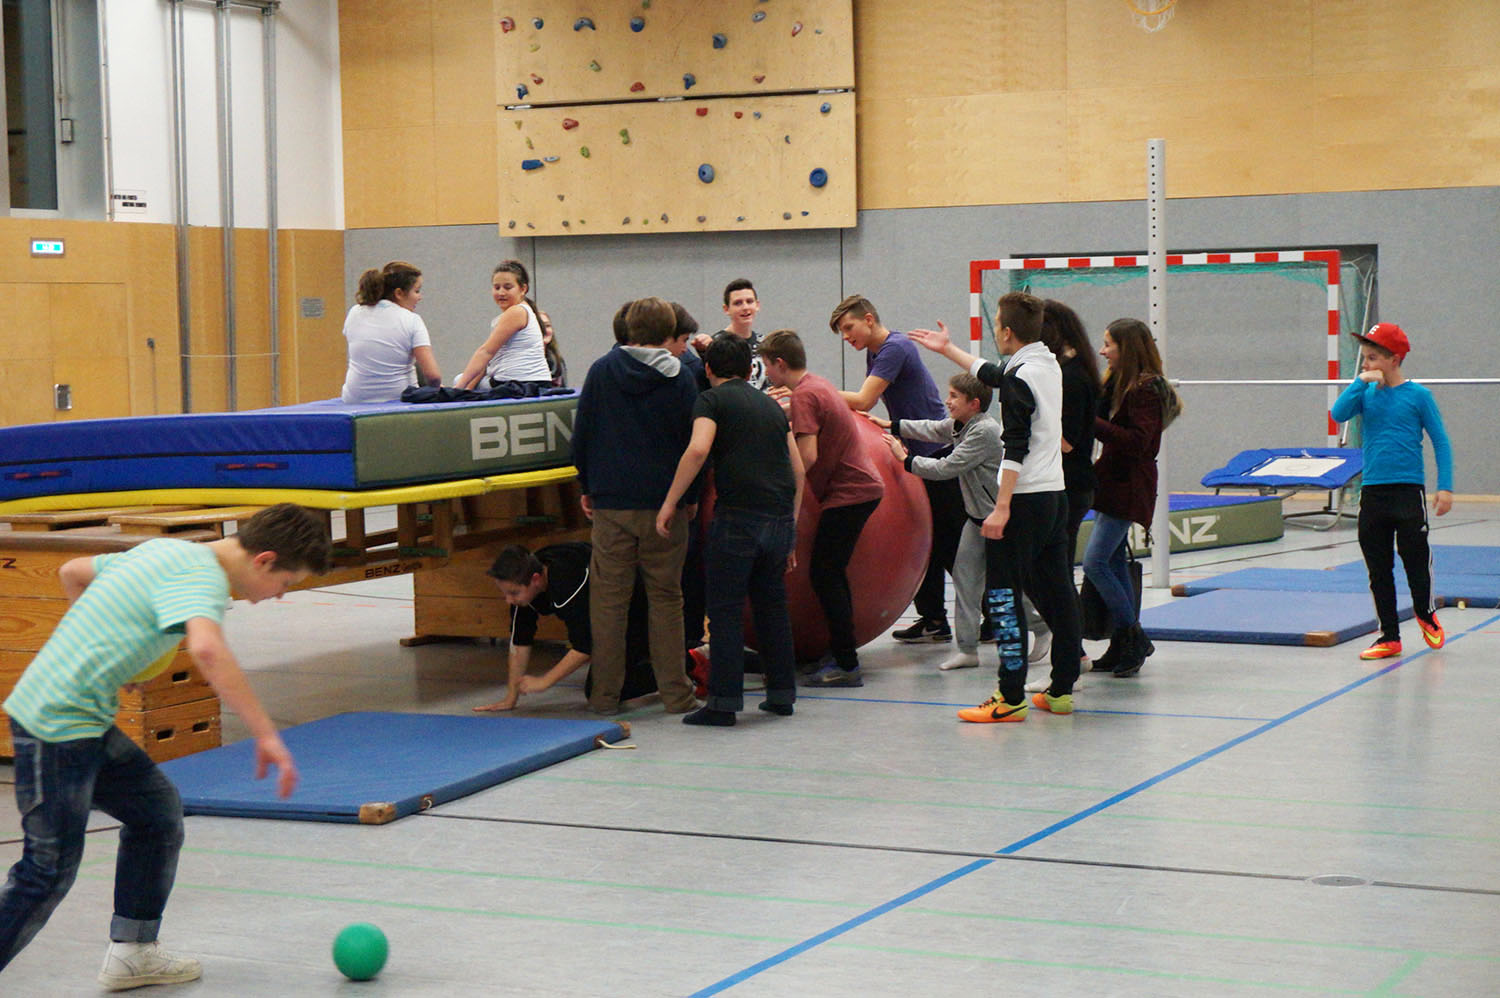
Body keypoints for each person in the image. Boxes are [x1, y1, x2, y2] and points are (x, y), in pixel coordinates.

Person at [0, 504, 331, 986]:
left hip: (84, 721)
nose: (278, 596)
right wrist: (266, 734)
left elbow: (72, 572)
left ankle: (132, 952)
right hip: (56, 726)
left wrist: (106, 653)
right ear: (264, 560)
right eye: (285, 584)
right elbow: (208, 649)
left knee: (156, 814)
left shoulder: (167, 552)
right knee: (46, 871)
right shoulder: (203, 578)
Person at [908, 294, 1083, 722]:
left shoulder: (1021, 377)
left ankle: (1010, 696)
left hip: (1023, 501)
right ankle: (1061, 689)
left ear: (1005, 330)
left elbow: (1015, 446)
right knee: (1060, 594)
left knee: (1002, 596)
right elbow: (992, 372)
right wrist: (947, 349)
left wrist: (1001, 507)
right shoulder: (1045, 363)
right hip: (1054, 497)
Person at [656, 335, 805, 727]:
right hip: (778, 518)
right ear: (749, 368)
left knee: (724, 610)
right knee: (772, 608)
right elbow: (798, 469)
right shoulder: (771, 406)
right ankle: (782, 694)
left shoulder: (710, 400)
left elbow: (698, 449)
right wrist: (790, 527)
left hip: (739, 517)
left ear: (708, 369)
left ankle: (723, 704)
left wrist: (670, 501)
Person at [571, 297, 701, 715]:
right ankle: (676, 695)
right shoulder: (681, 377)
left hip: (612, 504)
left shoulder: (602, 371)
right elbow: (693, 444)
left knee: (609, 603)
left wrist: (587, 486)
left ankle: (604, 697)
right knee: (666, 599)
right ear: (667, 332)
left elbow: (583, 434)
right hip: (665, 506)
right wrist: (690, 498)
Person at [830, 295, 962, 646]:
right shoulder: (876, 352)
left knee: (952, 543)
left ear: (868, 319)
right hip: (917, 454)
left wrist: (811, 388)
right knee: (927, 542)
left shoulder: (894, 348)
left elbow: (864, 399)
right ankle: (934, 619)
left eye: (849, 328)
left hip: (938, 454)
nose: (847, 337)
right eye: (842, 332)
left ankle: (992, 617)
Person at [758, 329, 885, 687]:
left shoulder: (805, 395)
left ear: (780, 364)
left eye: (767, 366)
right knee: (830, 573)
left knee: (826, 574)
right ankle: (841, 654)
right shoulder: (816, 385)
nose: (766, 373)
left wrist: (780, 485)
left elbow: (807, 457)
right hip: (859, 489)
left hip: (851, 493)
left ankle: (846, 663)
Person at [1330, 322, 1453, 660]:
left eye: (1372, 358)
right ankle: (1389, 635)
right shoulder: (1365, 394)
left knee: (1415, 558)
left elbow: (1441, 441)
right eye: (1364, 358)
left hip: (1407, 491)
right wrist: (1360, 382)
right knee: (1378, 567)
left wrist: (1445, 487)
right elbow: (1338, 414)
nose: (1366, 364)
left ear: (1394, 360)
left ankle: (1425, 613)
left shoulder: (1418, 396)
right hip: (1373, 492)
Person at [877, 372, 1002, 673]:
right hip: (976, 521)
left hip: (999, 522)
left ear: (974, 404)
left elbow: (947, 467)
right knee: (965, 582)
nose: (947, 401)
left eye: (954, 396)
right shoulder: (961, 425)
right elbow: (932, 428)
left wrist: (905, 459)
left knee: (1016, 592)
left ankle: (1043, 631)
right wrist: (892, 425)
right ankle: (968, 650)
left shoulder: (984, 432)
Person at [473, 543, 684, 712]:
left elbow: (585, 645)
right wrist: (511, 697)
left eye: (513, 593)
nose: (508, 600)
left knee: (602, 693)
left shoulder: (568, 583)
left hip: (636, 609)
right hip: (605, 614)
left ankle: (685, 664)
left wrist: (545, 681)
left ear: (536, 580)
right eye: (505, 594)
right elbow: (520, 641)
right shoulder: (526, 577)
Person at [1022, 299, 1102, 689]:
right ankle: (1073, 655)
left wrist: (1029, 437)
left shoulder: (1071, 376)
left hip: (1068, 485)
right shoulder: (1068, 371)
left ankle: (1070, 661)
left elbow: (1069, 440)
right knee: (1045, 575)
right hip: (1066, 483)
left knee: (1051, 576)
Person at [1085, 318, 1171, 678]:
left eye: (1109, 344)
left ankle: (1134, 637)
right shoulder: (1119, 384)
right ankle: (1122, 641)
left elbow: (1137, 442)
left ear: (1127, 348)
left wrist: (1090, 422)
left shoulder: (1145, 390)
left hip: (1129, 484)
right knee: (1114, 562)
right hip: (1112, 480)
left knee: (1095, 563)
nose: (1103, 351)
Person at [340, 261, 443, 403]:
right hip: (399, 399)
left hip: (354, 399)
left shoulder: (355, 312)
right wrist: (436, 392)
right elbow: (433, 376)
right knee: (417, 367)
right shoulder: (412, 320)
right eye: (417, 291)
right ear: (399, 293)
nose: (420, 297)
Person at [453, 260, 552, 394]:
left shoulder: (516, 312)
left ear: (523, 289)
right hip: (530, 382)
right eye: (497, 287)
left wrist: (457, 389)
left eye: (507, 287)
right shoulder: (517, 313)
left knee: (459, 379)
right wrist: (466, 390)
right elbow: (487, 359)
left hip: (522, 385)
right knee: (466, 381)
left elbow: (485, 352)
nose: (501, 292)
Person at [691, 278, 768, 392]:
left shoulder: (766, 343)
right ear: (726, 309)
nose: (745, 307)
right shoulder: (715, 344)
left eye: (749, 301)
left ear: (757, 305)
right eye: (738, 303)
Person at [539, 309, 568, 388]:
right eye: (540, 326)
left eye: (547, 326)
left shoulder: (557, 360)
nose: (544, 330)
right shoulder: (524, 362)